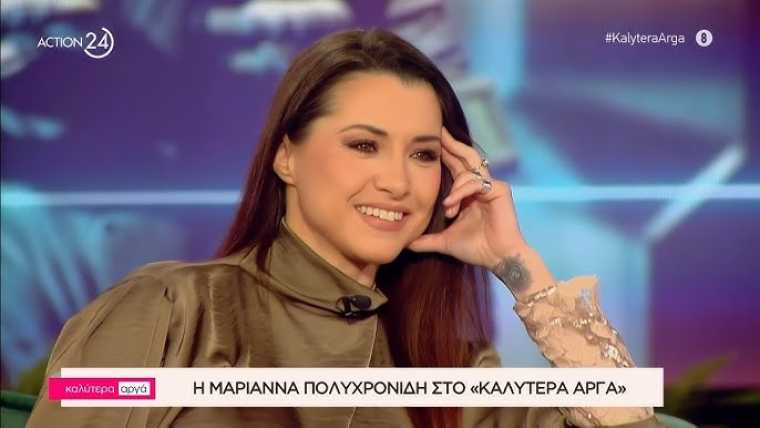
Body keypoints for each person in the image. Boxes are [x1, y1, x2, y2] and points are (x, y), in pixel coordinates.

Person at [27, 29, 665, 428]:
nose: (398, 182)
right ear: (287, 157)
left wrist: (518, 264)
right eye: (364, 145)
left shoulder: (451, 367)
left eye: (423, 155)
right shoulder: (173, 307)